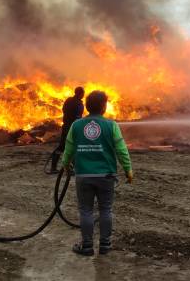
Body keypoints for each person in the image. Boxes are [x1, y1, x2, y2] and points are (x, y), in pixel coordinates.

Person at [60, 90, 133, 256]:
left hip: (83, 175)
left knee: (85, 211)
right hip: (106, 175)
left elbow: (68, 148)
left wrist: (65, 165)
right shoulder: (111, 125)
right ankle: (105, 245)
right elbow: (121, 150)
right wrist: (128, 169)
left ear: (86, 107)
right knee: (105, 210)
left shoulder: (76, 125)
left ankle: (86, 246)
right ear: (104, 107)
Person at [49, 86, 85, 174]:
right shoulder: (78, 103)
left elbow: (64, 110)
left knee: (62, 147)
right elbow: (78, 117)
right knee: (72, 147)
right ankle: (70, 169)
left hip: (66, 126)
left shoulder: (69, 100)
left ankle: (53, 167)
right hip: (73, 127)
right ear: (80, 94)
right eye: (83, 93)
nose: (83, 95)